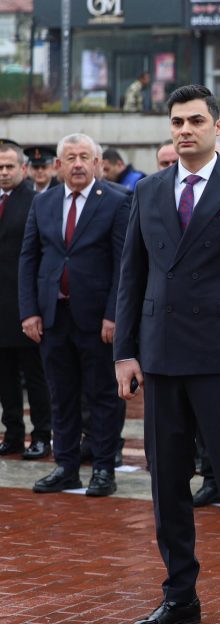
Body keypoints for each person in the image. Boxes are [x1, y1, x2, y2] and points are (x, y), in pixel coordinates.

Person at [114, 84, 220, 624]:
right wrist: (125, 352)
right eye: (177, 122)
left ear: (218, 126)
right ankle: (180, 595)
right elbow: (131, 276)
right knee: (167, 485)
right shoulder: (148, 190)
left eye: (195, 121)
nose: (184, 130)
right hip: (161, 358)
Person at [18, 134, 128, 497]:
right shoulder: (43, 202)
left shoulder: (117, 200)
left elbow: (123, 265)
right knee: (60, 396)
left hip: (97, 320)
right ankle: (66, 466)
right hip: (53, 317)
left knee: (102, 396)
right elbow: (29, 258)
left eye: (84, 157)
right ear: (58, 166)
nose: (78, 164)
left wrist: (114, 315)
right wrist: (29, 311)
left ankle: (103, 468)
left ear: (97, 163)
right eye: (70, 158)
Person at [0, 141, 52, 460]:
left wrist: (35, 307)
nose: (4, 172)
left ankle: (42, 435)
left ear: (23, 168)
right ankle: (13, 434)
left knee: (35, 377)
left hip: (26, 306)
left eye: (9, 166)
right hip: (0, 308)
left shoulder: (36, 202)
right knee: (5, 378)